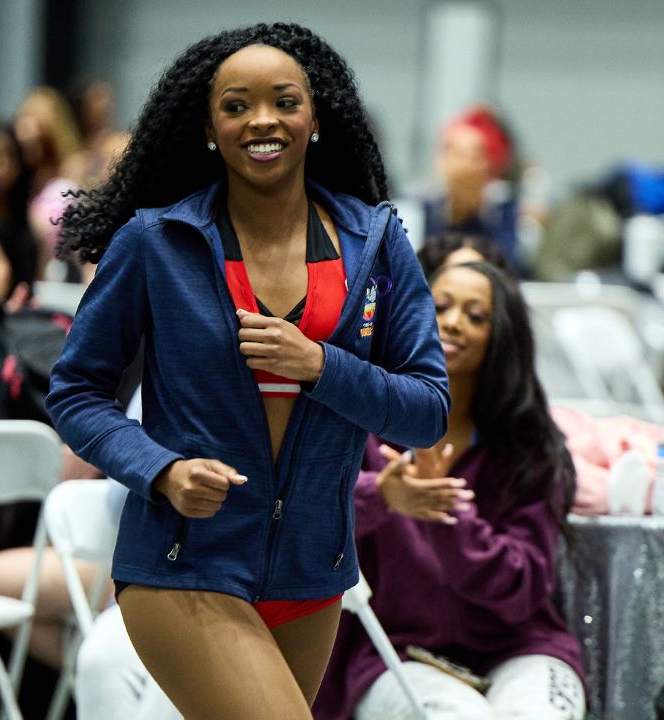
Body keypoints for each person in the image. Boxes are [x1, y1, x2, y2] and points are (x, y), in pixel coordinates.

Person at [46, 22, 449, 719]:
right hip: (184, 562)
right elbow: (76, 393)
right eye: (236, 105)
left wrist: (321, 365)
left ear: (315, 117)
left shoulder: (375, 243)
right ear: (208, 127)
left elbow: (426, 408)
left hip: (313, 570)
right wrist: (161, 470)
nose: (262, 120)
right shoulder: (155, 242)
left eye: (283, 101)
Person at [314, 260, 584, 719]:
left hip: (520, 648)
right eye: (440, 306)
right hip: (396, 652)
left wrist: (449, 513)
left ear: (502, 336)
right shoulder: (362, 422)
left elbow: (523, 588)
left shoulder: (529, 448)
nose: (454, 321)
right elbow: (308, 511)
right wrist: (383, 495)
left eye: (476, 315)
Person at [422, 106, 524, 274]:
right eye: (460, 155)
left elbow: (509, 264)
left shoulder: (501, 208)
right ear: (442, 160)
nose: (467, 166)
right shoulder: (423, 208)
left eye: (476, 157)